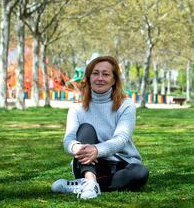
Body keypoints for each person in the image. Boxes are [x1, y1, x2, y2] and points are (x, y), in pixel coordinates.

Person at [51, 56, 149, 199]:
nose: (100, 78)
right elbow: (68, 139)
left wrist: (97, 150)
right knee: (86, 129)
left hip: (121, 164)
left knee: (140, 173)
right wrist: (75, 148)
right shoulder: (76, 108)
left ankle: (83, 185)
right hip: (89, 165)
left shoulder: (126, 104)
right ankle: (90, 181)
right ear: (89, 77)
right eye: (95, 73)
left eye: (106, 74)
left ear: (114, 80)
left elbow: (121, 139)